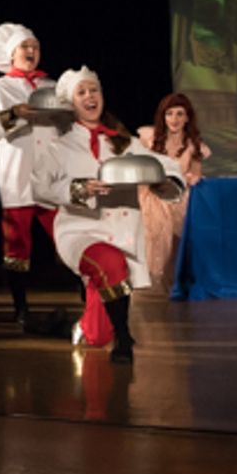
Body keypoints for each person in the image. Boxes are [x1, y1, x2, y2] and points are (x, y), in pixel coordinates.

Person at [31, 67, 183, 363]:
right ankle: (125, 339)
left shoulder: (125, 143)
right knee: (109, 264)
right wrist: (80, 188)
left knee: (98, 332)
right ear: (71, 102)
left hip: (123, 232)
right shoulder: (58, 147)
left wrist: (164, 182)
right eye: (82, 92)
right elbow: (40, 188)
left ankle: (79, 327)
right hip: (80, 230)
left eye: (94, 90)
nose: (90, 96)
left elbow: (167, 166)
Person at [0, 22, 58, 325]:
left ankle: (85, 299)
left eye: (35, 46)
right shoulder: (0, 89)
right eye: (25, 47)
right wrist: (15, 114)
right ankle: (20, 306)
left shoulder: (52, 86)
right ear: (11, 54)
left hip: (52, 176)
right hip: (18, 176)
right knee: (17, 246)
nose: (31, 51)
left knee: (66, 236)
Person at [136, 93, 212, 292]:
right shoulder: (149, 139)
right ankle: (155, 279)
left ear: (187, 118)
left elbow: (195, 175)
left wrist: (191, 178)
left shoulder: (193, 145)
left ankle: (178, 279)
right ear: (163, 116)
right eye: (169, 114)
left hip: (178, 196)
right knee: (157, 214)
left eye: (180, 114)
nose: (174, 119)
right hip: (152, 195)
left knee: (186, 208)